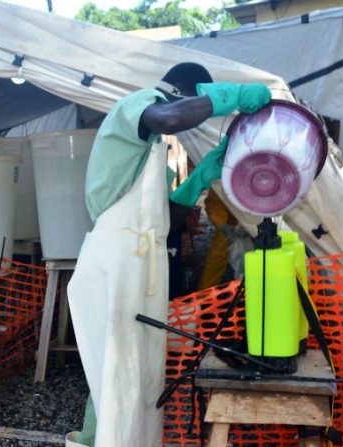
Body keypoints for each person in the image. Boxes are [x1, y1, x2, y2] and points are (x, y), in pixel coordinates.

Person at [66, 63, 271, 446]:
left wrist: (200, 178)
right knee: (116, 373)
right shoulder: (139, 104)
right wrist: (228, 97)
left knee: (141, 374)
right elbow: (172, 116)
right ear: (185, 89)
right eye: (197, 98)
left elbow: (168, 218)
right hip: (116, 259)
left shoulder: (149, 154)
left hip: (142, 262)